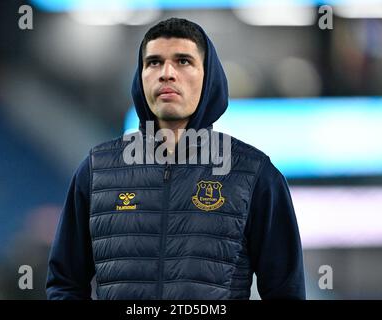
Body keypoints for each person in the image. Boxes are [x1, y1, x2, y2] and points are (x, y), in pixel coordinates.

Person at [46, 18, 306, 300]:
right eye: (154, 62)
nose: (167, 73)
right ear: (141, 75)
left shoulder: (254, 174)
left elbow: (285, 291)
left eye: (183, 61)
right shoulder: (97, 170)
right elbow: (65, 283)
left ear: (208, 76)